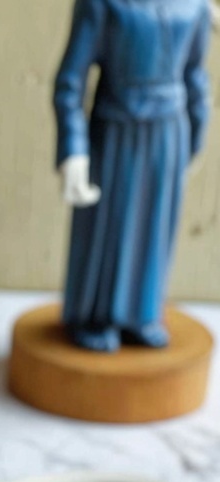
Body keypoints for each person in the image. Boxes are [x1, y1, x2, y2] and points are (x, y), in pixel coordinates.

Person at [54, 0, 211, 352]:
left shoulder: (193, 8)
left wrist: (198, 133)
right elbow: (70, 83)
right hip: (114, 131)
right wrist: (73, 151)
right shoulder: (102, 5)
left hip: (169, 133)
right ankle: (95, 315)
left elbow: (196, 75)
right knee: (109, 225)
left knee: (154, 226)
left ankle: (143, 312)